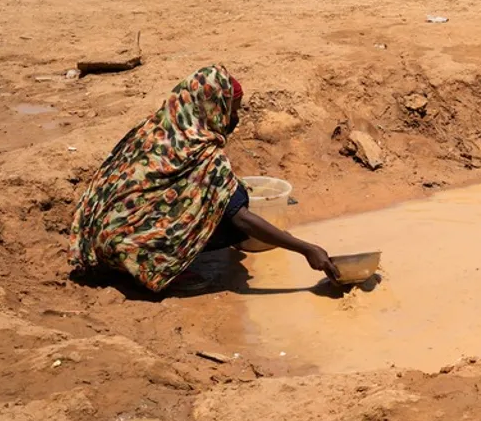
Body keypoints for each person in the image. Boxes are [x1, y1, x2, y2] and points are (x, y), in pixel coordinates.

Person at [70, 65, 339, 293]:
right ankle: (160, 269)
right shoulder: (204, 156)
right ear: (212, 108)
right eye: (231, 111)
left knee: (224, 191)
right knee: (233, 202)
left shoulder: (155, 128)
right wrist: (305, 248)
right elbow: (241, 218)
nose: (235, 119)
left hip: (95, 239)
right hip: (130, 251)